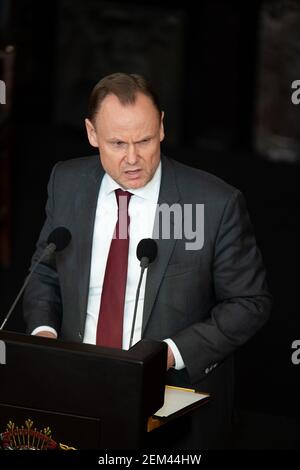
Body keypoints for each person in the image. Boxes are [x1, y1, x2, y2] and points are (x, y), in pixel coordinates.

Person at [23, 72, 272, 449]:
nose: (133, 158)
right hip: (75, 387)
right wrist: (45, 337)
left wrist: (170, 353)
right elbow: (45, 269)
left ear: (162, 128)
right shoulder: (67, 182)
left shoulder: (212, 204)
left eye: (144, 140)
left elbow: (250, 303)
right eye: (118, 143)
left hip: (169, 403)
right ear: (92, 134)